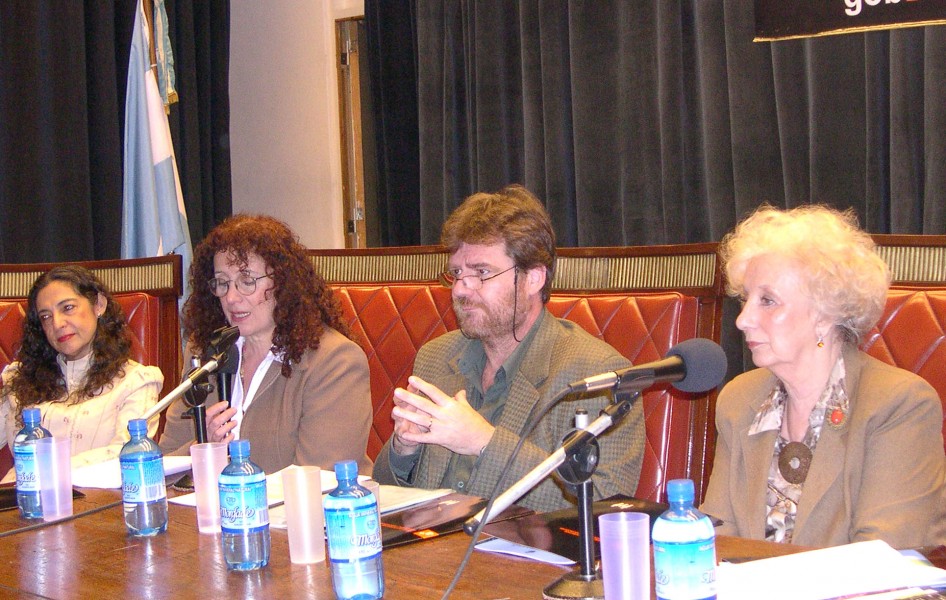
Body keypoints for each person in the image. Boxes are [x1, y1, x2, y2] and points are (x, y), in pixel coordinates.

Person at [372, 185, 645, 513]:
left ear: (533, 278)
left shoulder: (594, 376)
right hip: (431, 556)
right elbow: (387, 495)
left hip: (525, 561)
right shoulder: (435, 358)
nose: (461, 289)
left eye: (481, 272)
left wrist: (484, 442)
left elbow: (604, 504)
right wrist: (403, 451)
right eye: (457, 273)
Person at [701, 205, 946, 547]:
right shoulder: (740, 401)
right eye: (746, 299)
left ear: (824, 314)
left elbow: (887, 561)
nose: (743, 319)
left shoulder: (898, 405)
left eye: (767, 301)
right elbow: (718, 540)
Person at [159, 214, 372, 474]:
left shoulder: (335, 361)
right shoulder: (205, 351)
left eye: (247, 281)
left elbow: (321, 480)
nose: (232, 297)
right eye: (223, 283)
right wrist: (203, 446)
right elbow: (163, 467)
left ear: (282, 282)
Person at [0, 266, 164, 473]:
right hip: (21, 501)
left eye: (68, 308)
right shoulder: (21, 379)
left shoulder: (135, 381)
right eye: (46, 317)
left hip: (100, 501)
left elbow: (126, 456)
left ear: (99, 305)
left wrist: (43, 471)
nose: (57, 323)